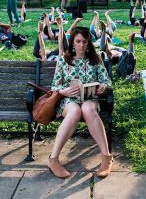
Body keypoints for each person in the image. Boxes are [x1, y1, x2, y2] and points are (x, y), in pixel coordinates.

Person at [49, 26, 113, 178]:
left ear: (88, 42)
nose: (81, 45)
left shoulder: (95, 60)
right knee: (75, 111)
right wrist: (63, 91)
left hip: (90, 99)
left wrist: (103, 86)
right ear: (72, 42)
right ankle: (53, 160)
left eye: (84, 41)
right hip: (68, 100)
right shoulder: (63, 60)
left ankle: (106, 157)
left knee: (87, 109)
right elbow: (55, 86)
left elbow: (107, 81)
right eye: (78, 41)